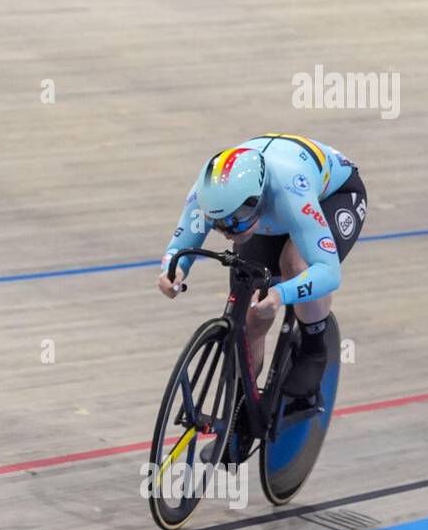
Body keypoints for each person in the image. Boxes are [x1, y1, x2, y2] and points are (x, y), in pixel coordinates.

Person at [157, 134, 367, 398]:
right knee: (251, 314)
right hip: (272, 212)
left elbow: (328, 271)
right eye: (218, 222)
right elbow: (180, 246)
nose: (228, 232)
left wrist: (282, 294)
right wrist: (173, 269)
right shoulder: (206, 196)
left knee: (294, 262)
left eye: (235, 220)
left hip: (332, 196)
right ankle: (242, 406)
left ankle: (313, 348)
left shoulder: (292, 192)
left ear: (255, 201)